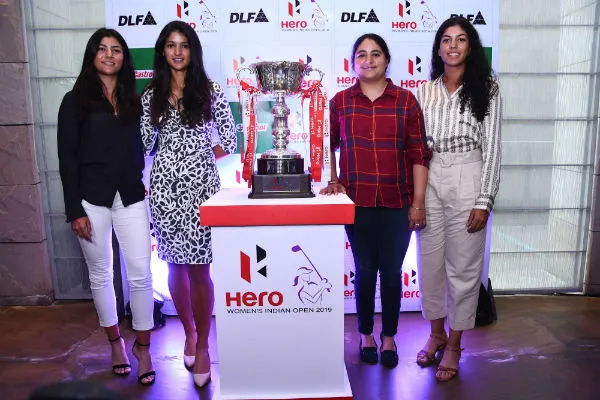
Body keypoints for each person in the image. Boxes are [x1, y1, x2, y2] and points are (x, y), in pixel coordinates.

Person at [320, 33, 431, 368]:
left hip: (399, 201)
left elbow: (418, 155)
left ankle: (389, 337)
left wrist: (419, 202)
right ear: (353, 62)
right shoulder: (340, 102)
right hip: (358, 202)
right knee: (366, 271)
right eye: (361, 55)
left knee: (392, 273)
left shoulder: (406, 101)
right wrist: (334, 179)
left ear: (386, 60)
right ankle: (366, 333)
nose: (368, 60)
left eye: (376, 54)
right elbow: (328, 146)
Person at [140, 20, 236, 388]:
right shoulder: (151, 95)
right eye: (170, 45)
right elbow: (146, 142)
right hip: (163, 190)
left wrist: (198, 157)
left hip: (201, 192)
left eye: (184, 45)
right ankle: (190, 333)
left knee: (199, 270)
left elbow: (228, 138)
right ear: (162, 52)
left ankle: (205, 346)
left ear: (193, 51)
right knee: (175, 267)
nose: (177, 51)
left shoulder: (209, 90)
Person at [57, 28, 155, 385]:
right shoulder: (74, 100)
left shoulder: (134, 100)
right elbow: (66, 159)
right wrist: (74, 211)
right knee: (101, 275)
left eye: (116, 50)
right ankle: (115, 343)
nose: (109, 55)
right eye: (102, 49)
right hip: (91, 201)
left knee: (142, 274)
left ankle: (143, 349)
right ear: (92, 56)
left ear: (123, 58)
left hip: (130, 196)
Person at [414, 16, 502, 382]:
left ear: (470, 47)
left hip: (469, 173)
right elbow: (415, 146)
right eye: (446, 40)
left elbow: (493, 146)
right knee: (430, 263)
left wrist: (484, 199)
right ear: (438, 48)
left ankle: (454, 344)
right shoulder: (424, 91)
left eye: (461, 39)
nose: (453, 46)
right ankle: (435, 334)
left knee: (463, 271)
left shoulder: (488, 89)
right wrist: (415, 195)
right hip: (430, 175)